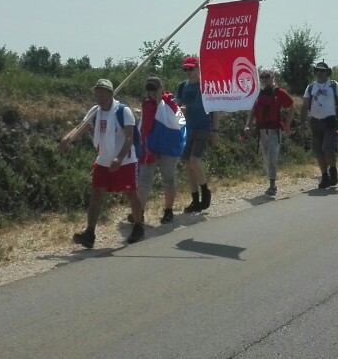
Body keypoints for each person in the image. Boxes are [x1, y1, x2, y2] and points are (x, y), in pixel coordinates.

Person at [58, 78, 145, 248]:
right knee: (97, 193)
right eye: (97, 93)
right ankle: (89, 233)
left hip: (126, 160)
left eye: (103, 93)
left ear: (111, 93)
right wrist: (66, 139)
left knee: (131, 193)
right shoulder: (95, 112)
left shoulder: (123, 111)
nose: (100, 96)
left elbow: (129, 138)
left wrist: (119, 158)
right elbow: (80, 128)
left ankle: (138, 226)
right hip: (103, 160)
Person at [138, 76, 184, 224]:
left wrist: (160, 103)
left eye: (154, 90)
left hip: (168, 145)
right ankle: (139, 213)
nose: (151, 94)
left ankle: (168, 211)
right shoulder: (146, 103)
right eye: (149, 90)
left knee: (168, 179)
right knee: (144, 179)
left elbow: (179, 122)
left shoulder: (170, 103)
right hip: (150, 145)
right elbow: (143, 124)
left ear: (161, 89)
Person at [176, 56, 219, 213]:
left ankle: (205, 192)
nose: (188, 71)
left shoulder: (206, 85)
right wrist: (179, 113)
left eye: (190, 68)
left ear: (198, 68)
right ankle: (195, 200)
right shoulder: (182, 86)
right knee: (188, 164)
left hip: (203, 128)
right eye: (185, 69)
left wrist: (215, 131)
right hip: (187, 129)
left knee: (194, 161)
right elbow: (176, 107)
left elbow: (215, 109)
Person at [245, 67, 294, 196]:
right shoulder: (259, 94)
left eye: (267, 76)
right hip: (262, 130)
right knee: (266, 157)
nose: (265, 79)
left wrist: (287, 124)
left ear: (273, 77)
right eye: (262, 77)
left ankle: (272, 185)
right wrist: (247, 125)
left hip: (274, 130)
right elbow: (253, 110)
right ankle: (271, 180)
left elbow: (291, 107)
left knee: (272, 156)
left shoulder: (279, 92)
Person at [303, 61, 338, 189]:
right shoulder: (311, 87)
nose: (320, 73)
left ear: (327, 72)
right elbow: (305, 104)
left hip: (330, 122)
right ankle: (324, 176)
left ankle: (333, 170)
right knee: (318, 152)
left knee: (328, 148)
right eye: (317, 70)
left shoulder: (333, 85)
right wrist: (302, 122)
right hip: (315, 122)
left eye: (322, 71)